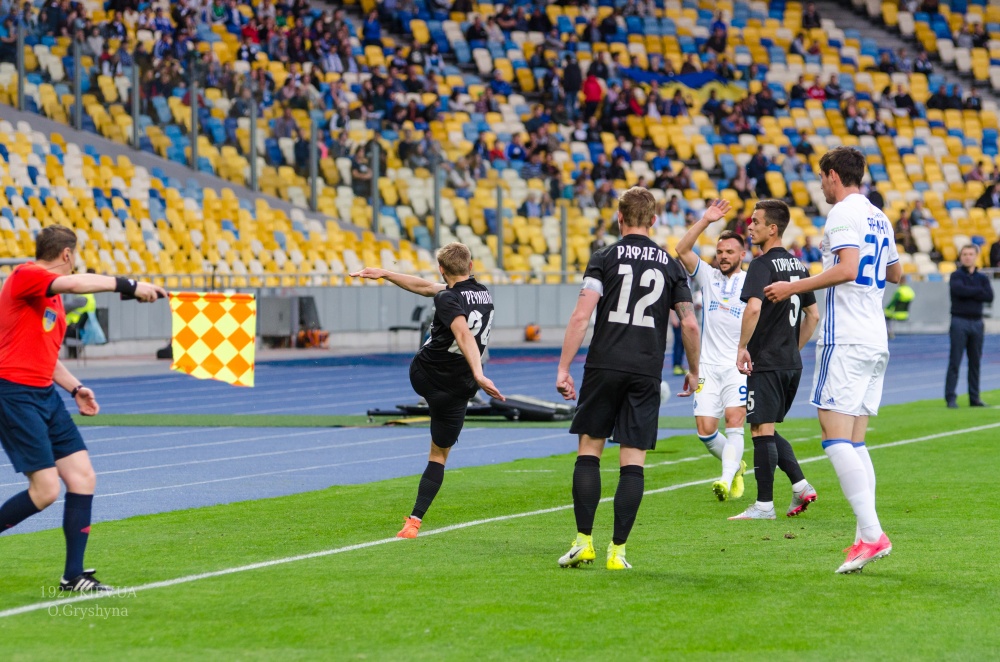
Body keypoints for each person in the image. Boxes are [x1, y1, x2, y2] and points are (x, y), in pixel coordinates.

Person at [0, 225, 165, 591]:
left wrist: (75, 388)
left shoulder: (51, 298)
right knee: (45, 490)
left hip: (44, 394)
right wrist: (129, 285)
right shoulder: (27, 274)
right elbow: (76, 284)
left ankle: (73, 576)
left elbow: (44, 355)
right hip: (14, 394)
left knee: (82, 477)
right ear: (67, 255)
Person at [763, 146, 901, 573]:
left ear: (833, 176)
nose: (821, 185)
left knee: (833, 435)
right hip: (875, 336)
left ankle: (873, 535)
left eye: (822, 178)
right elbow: (895, 273)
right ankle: (864, 536)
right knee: (855, 441)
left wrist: (792, 286)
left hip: (847, 338)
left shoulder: (843, 212)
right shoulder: (879, 215)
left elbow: (847, 269)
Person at [555, 187, 700, 571]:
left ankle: (583, 542)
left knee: (589, 451)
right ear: (653, 220)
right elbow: (688, 322)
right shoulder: (671, 265)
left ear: (619, 218)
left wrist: (564, 368)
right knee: (632, 461)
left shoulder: (604, 257)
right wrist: (694, 370)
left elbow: (581, 316)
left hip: (604, 364)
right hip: (646, 370)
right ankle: (617, 552)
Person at [349, 244, 504, 539]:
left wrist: (479, 373)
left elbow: (461, 331)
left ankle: (413, 523)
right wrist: (385, 273)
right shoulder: (483, 293)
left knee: (434, 336)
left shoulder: (447, 297)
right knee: (438, 456)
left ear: (441, 269)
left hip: (426, 376)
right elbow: (425, 288)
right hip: (459, 388)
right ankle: (414, 522)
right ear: (471, 266)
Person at [730, 200, 819, 522]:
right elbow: (813, 315)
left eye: (755, 221)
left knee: (760, 429)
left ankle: (764, 505)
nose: (749, 226)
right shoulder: (798, 265)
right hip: (791, 363)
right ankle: (800, 485)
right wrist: (793, 348)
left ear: (772, 228)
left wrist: (742, 347)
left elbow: (753, 308)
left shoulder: (761, 265)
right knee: (763, 426)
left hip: (767, 361)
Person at [675, 200, 755, 501]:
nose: (723, 256)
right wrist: (706, 221)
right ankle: (736, 466)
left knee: (735, 422)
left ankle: (725, 478)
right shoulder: (708, 277)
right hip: (708, 366)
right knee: (706, 430)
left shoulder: (751, 281)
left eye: (730, 252)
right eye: (720, 252)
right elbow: (682, 249)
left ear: (742, 255)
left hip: (737, 366)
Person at [945, 245, 994, 408]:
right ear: (960, 257)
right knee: (955, 360)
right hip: (959, 321)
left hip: (977, 322)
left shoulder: (982, 277)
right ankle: (950, 398)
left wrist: (970, 292)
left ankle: (975, 397)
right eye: (964, 254)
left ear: (976, 256)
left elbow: (989, 296)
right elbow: (959, 291)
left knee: (975, 362)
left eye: (971, 254)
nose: (967, 257)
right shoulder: (956, 276)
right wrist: (978, 292)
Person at [884, 275, 915, 339]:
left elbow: (892, 303)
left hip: (897, 314)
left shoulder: (899, 291)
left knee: (885, 315)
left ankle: (889, 332)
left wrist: (885, 309)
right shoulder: (910, 291)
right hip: (906, 313)